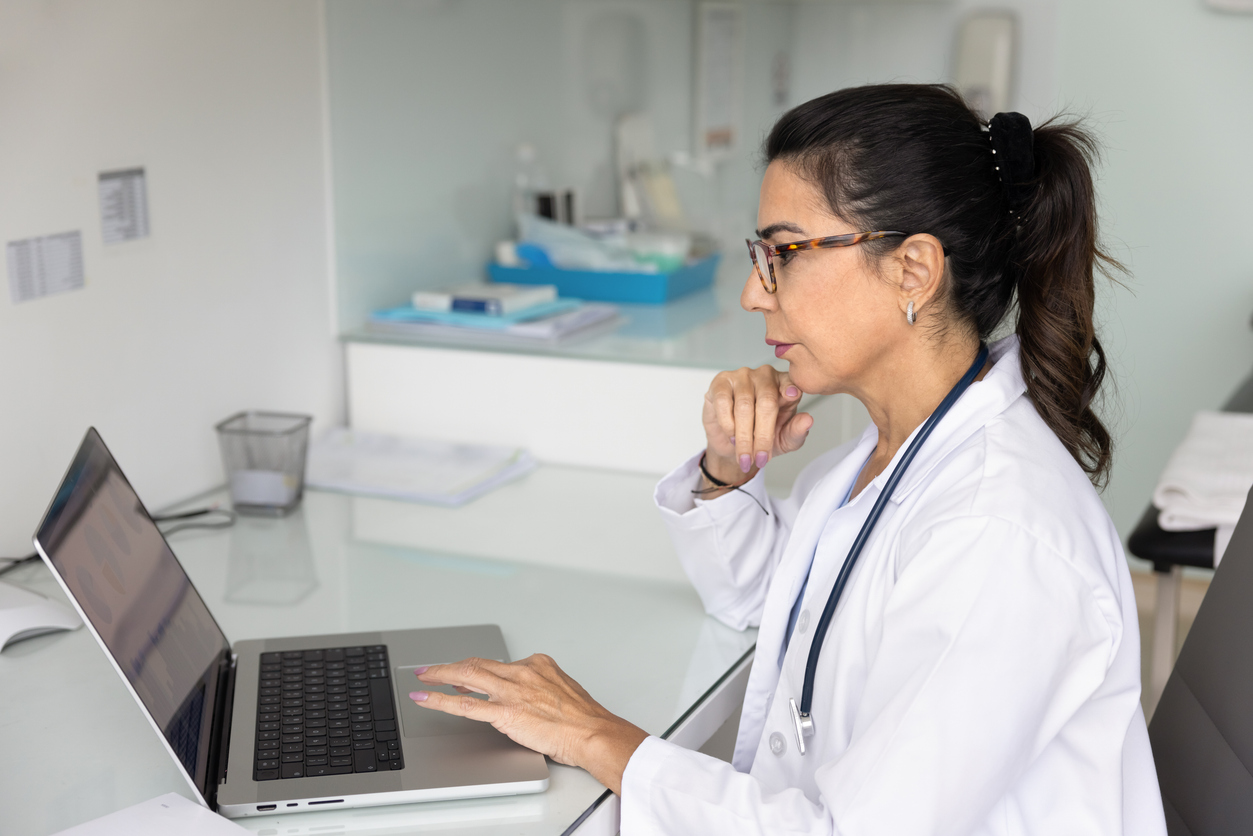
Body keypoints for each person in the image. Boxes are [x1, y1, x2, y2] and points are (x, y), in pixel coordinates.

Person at [406, 84, 1167, 835]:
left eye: (781, 254)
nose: (750, 294)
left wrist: (602, 739)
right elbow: (782, 604)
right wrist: (725, 472)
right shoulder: (890, 448)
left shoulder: (999, 535)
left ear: (912, 270)